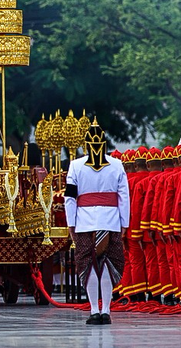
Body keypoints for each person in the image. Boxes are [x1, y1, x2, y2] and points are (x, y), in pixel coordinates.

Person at [64, 120, 130, 325]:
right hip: (110, 221)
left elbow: (69, 198)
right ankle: (106, 311)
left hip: (84, 222)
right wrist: (124, 222)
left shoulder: (75, 166)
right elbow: (124, 196)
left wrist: (70, 223)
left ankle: (94, 310)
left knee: (89, 265)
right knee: (108, 264)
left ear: (85, 145)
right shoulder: (117, 165)